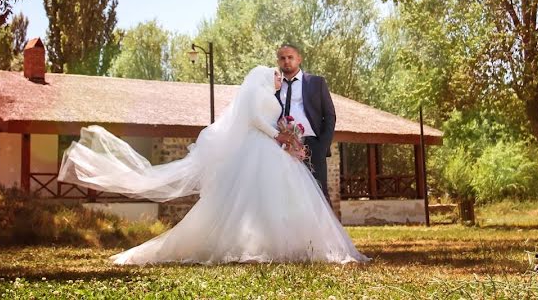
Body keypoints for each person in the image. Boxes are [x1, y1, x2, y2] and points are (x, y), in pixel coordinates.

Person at [57, 65, 368, 265]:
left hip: (273, 148)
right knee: (254, 198)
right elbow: (254, 120)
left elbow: (274, 119)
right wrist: (279, 136)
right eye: (274, 73)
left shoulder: (273, 96)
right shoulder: (257, 93)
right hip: (261, 148)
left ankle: (294, 244)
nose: (278, 77)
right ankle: (255, 244)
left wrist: (288, 135)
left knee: (280, 197)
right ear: (261, 77)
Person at [274, 43, 335, 201]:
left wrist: (322, 146)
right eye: (282, 58)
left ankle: (325, 226)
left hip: (312, 144)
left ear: (299, 59)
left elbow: (329, 116)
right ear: (278, 61)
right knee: (285, 194)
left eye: (290, 57)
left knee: (319, 193)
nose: (286, 61)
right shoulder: (273, 86)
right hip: (282, 146)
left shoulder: (316, 82)